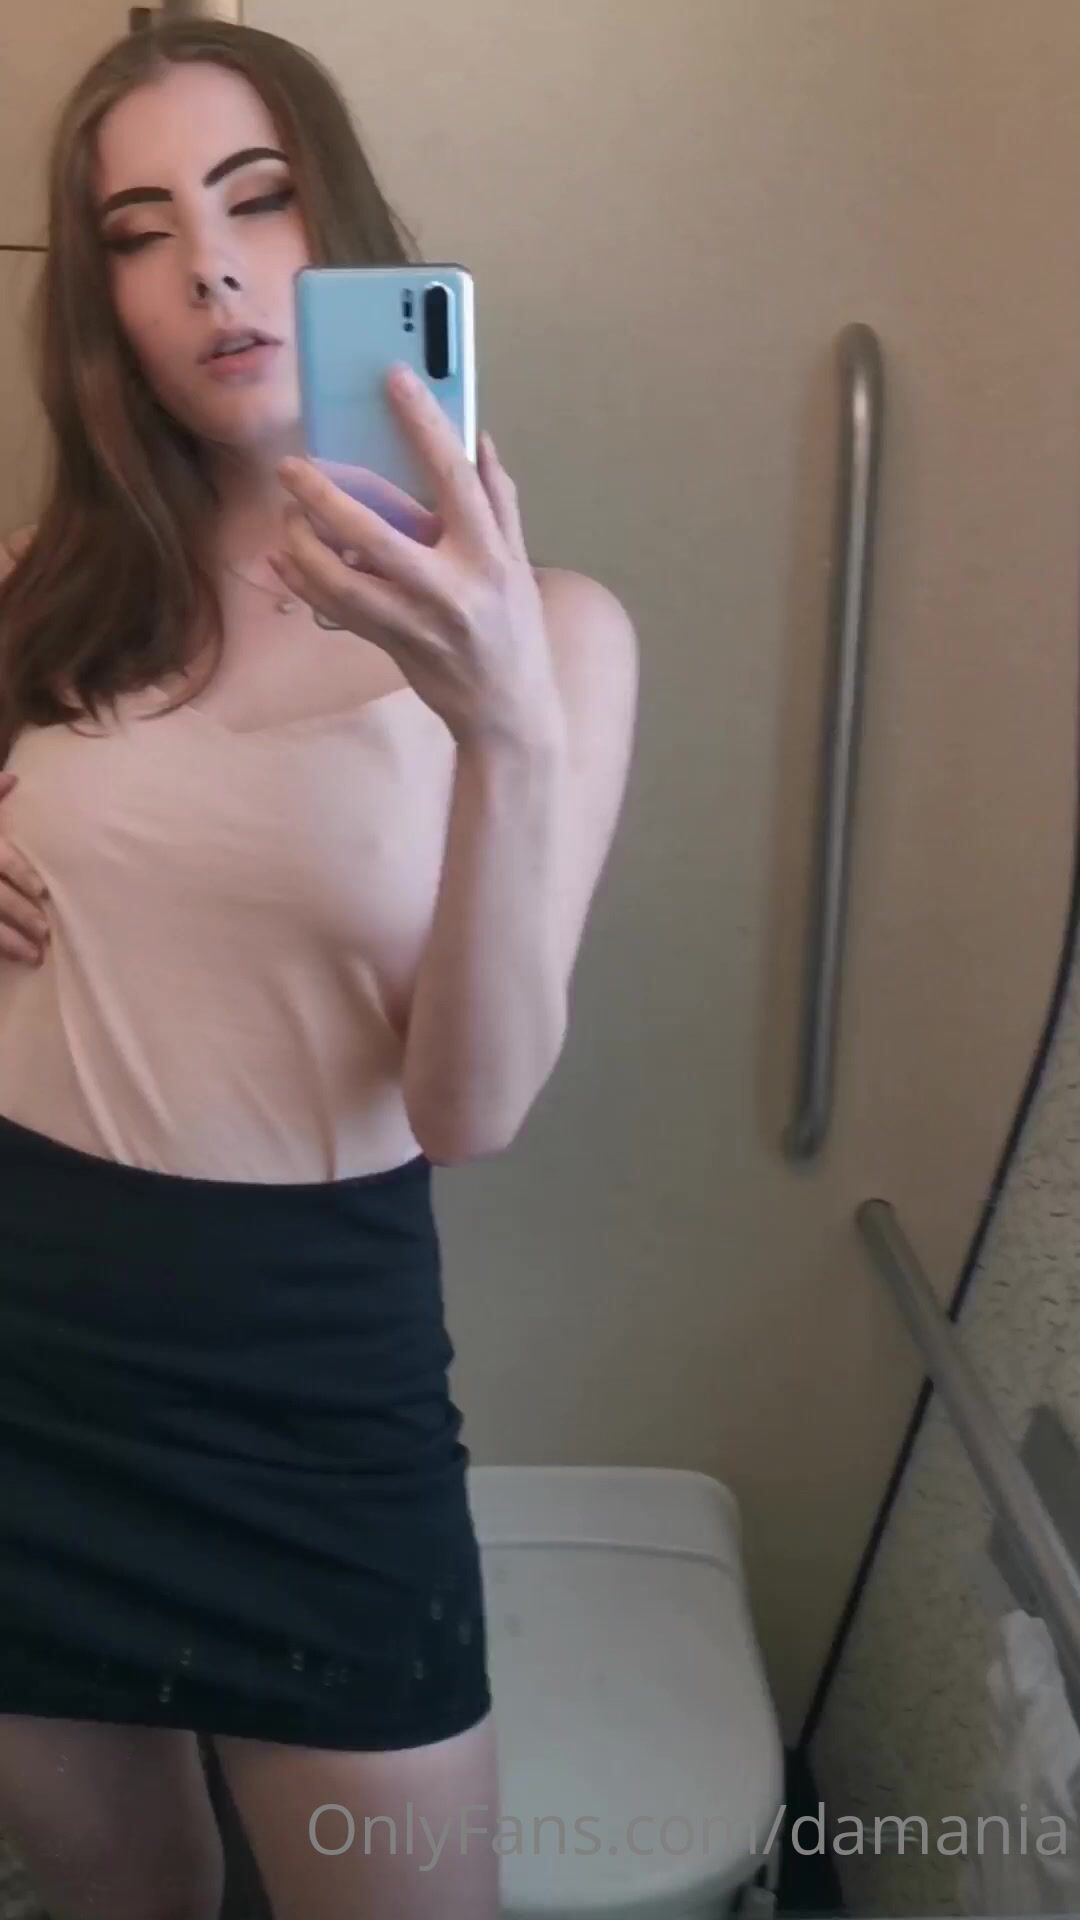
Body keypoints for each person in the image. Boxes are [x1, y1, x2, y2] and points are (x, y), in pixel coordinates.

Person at [0, 15, 638, 1920]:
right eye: (140, 231)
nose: (206, 266)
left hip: (311, 1392)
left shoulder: (556, 632)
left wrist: (500, 724)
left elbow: (473, 1106)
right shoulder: (33, 589)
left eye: (255, 198)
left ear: (343, 231)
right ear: (102, 302)